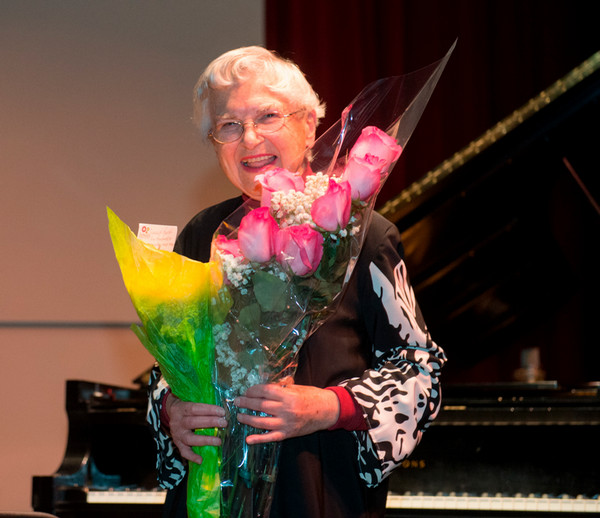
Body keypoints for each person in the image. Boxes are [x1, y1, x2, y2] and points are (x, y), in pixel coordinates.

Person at [147, 46, 446, 518]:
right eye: (228, 125)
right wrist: (171, 412)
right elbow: (168, 366)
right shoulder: (200, 234)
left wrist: (328, 407)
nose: (249, 138)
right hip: (210, 494)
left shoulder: (363, 234)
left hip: (319, 489)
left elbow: (421, 372)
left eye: (268, 116)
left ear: (309, 125)